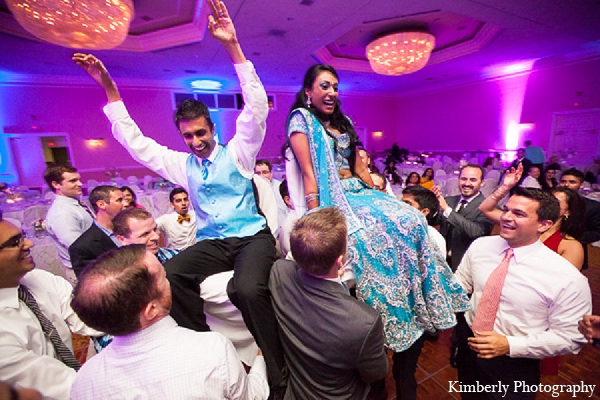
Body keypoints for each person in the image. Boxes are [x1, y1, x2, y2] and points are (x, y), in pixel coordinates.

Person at [73, 0, 285, 391]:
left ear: (212, 130)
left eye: (201, 133)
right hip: (214, 243)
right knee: (170, 274)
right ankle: (201, 346)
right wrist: (109, 87)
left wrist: (232, 46)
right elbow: (136, 143)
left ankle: (277, 365)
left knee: (247, 288)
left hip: (251, 237)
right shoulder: (180, 164)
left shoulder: (237, 153)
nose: (196, 141)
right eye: (188, 136)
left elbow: (256, 107)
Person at [286, 63, 470, 400]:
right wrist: (317, 213)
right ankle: (392, 311)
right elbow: (309, 173)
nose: (331, 92)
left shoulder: (343, 123)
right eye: (324, 86)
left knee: (413, 219)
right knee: (370, 233)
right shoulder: (301, 121)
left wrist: (377, 189)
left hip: (358, 189)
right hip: (332, 196)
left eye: (335, 87)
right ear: (309, 92)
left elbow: (359, 168)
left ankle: (421, 299)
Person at [70, 245, 268, 400]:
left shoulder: (83, 380)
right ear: (151, 310)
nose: (170, 281)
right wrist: (260, 358)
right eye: (164, 278)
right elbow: (253, 397)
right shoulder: (211, 349)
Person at [454, 187, 591, 399]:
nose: (506, 217)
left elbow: (572, 337)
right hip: (468, 344)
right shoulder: (481, 246)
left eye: (518, 214)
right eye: (506, 209)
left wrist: (509, 345)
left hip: (514, 362)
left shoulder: (566, 278)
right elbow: (460, 284)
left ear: (544, 224)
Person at [269, 208, 388, 400]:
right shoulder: (364, 321)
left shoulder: (279, 273)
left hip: (296, 392)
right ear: (340, 261)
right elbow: (375, 373)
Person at [0, 216, 101, 399]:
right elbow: (59, 386)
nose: (29, 243)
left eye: (23, 236)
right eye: (15, 242)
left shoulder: (40, 279)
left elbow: (91, 319)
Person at [479, 165, 586, 269]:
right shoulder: (526, 224)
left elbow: (566, 282)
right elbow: (485, 209)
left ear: (568, 212)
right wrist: (505, 187)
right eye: (549, 200)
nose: (550, 204)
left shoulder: (570, 246)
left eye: (556, 202)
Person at [432, 164, 494, 271]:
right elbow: (433, 221)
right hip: (441, 263)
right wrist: (430, 205)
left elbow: (476, 231)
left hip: (466, 266)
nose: (467, 183)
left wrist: (447, 210)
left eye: (473, 180)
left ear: (482, 182)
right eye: (463, 179)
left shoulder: (488, 206)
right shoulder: (448, 200)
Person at [43, 164, 94, 284]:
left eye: (79, 179)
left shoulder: (74, 204)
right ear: (56, 185)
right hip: (84, 271)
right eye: (73, 181)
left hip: (92, 266)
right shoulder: (62, 213)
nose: (80, 184)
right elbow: (79, 247)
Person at [69, 185, 124, 277]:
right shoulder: (83, 247)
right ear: (101, 204)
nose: (125, 204)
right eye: (119, 200)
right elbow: (91, 284)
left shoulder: (129, 230)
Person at [559, 168, 600, 270]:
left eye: (572, 182)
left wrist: (572, 238)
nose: (567, 185)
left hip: (575, 249)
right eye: (563, 181)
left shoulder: (592, 206)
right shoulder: (551, 202)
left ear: (581, 185)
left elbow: (597, 231)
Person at [402, 186, 446, 256]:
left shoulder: (433, 238)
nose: (401, 207)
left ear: (424, 211)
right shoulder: (394, 230)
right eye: (401, 203)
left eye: (407, 204)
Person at [255, 159, 289, 228]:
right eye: (258, 173)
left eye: (265, 172)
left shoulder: (280, 187)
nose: (261, 176)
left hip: (283, 228)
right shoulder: (252, 191)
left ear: (271, 173)